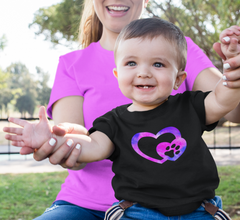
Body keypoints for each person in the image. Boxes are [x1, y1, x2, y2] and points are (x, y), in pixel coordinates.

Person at [5, 0, 240, 219]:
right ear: (116, 73)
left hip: (193, 208)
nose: (144, 72)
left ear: (179, 78)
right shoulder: (105, 109)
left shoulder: (182, 57)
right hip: (99, 207)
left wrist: (233, 74)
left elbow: (225, 104)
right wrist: (56, 139)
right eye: (131, 63)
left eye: (158, 64)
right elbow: (90, 144)